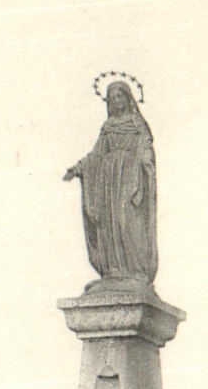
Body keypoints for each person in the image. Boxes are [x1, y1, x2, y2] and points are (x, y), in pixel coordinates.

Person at [64, 80, 158, 287]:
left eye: (119, 96)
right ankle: (114, 270)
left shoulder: (137, 125)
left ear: (128, 97)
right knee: (109, 221)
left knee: (126, 220)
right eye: (112, 98)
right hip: (108, 181)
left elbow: (145, 146)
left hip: (130, 177)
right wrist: (78, 168)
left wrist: (146, 161)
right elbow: (96, 155)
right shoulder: (108, 128)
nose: (116, 101)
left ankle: (135, 271)